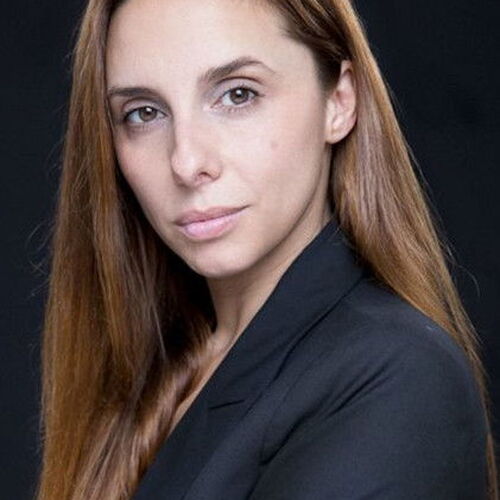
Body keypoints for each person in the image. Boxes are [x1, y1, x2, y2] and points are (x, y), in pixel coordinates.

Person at [35, 0, 498, 498]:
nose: (187, 162)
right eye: (144, 113)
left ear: (340, 101)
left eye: (238, 94)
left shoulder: (398, 374)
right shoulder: (162, 369)